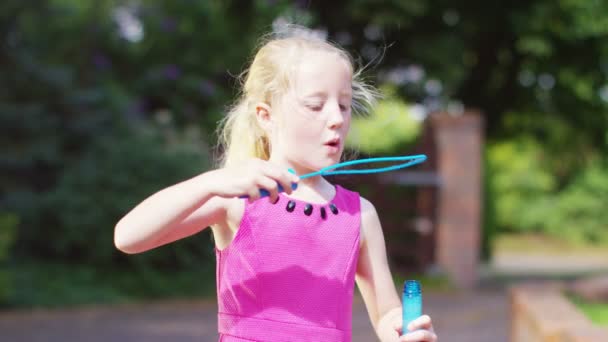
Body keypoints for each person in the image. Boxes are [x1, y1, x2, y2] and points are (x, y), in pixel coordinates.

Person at [114, 27, 437, 342]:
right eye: (315, 105)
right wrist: (212, 182)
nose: (336, 118)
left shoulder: (360, 215)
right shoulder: (236, 198)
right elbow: (129, 237)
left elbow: (386, 312)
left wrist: (401, 329)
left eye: (343, 104)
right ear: (266, 116)